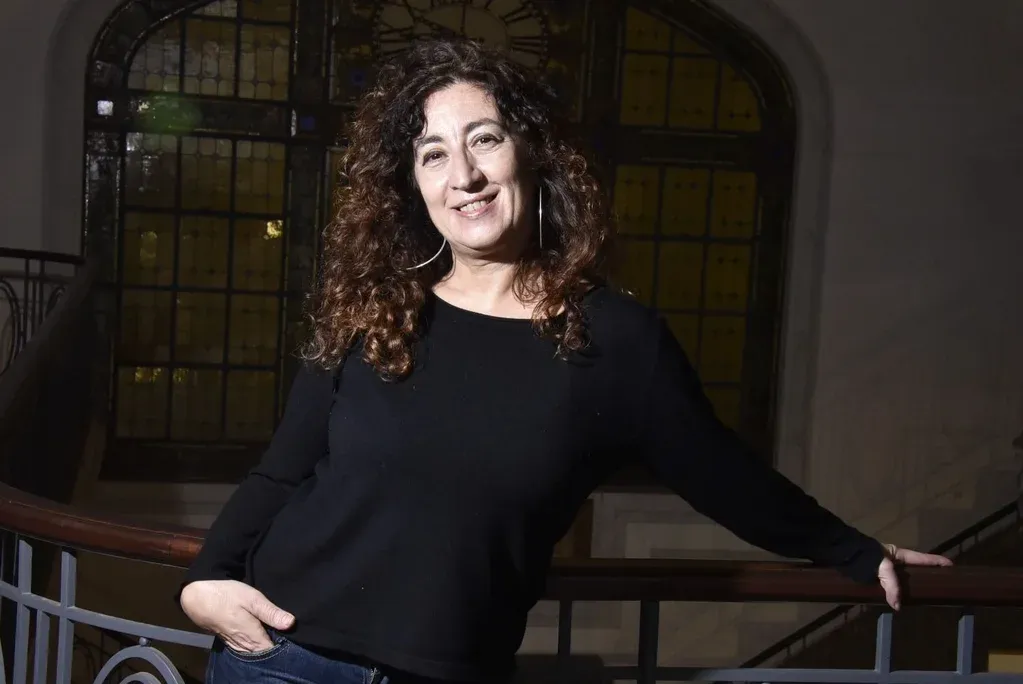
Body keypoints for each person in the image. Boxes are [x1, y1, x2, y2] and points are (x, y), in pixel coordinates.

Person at [178, 38, 951, 684]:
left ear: (532, 154)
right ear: (411, 186)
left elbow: (726, 477)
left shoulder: (616, 341)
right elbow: (282, 474)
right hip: (282, 659)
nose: (463, 177)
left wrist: (851, 549)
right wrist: (205, 582)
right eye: (432, 155)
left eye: (485, 140)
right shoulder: (376, 309)